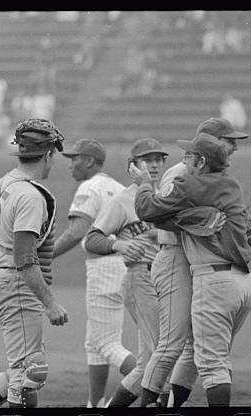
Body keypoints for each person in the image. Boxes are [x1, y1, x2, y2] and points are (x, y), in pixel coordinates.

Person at [133, 133, 251, 406]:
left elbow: (147, 209)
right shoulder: (231, 183)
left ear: (201, 162)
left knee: (211, 366)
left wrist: (144, 184)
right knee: (208, 355)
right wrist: (192, 218)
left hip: (213, 280)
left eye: (189, 156)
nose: (184, 159)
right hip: (244, 282)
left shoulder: (190, 183)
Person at [0, 118, 69, 408]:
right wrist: (51, 304)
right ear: (49, 154)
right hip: (16, 286)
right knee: (30, 374)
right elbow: (25, 258)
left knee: (20, 370)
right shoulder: (30, 195)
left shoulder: (3, 184)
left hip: (1, 282)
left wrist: (0, 269)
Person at [88, 138, 168, 407]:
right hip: (141, 278)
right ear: (132, 167)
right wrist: (118, 244)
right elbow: (92, 239)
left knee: (147, 363)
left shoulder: (167, 195)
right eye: (147, 160)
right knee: (164, 354)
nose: (154, 165)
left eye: (158, 159)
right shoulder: (123, 201)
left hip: (167, 280)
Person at [53, 139, 128, 408]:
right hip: (124, 265)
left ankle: (154, 385)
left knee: (106, 344)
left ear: (89, 161)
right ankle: (95, 404)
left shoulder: (90, 186)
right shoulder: (119, 187)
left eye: (74, 158)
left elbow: (77, 232)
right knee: (94, 343)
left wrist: (42, 256)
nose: (70, 164)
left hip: (104, 265)